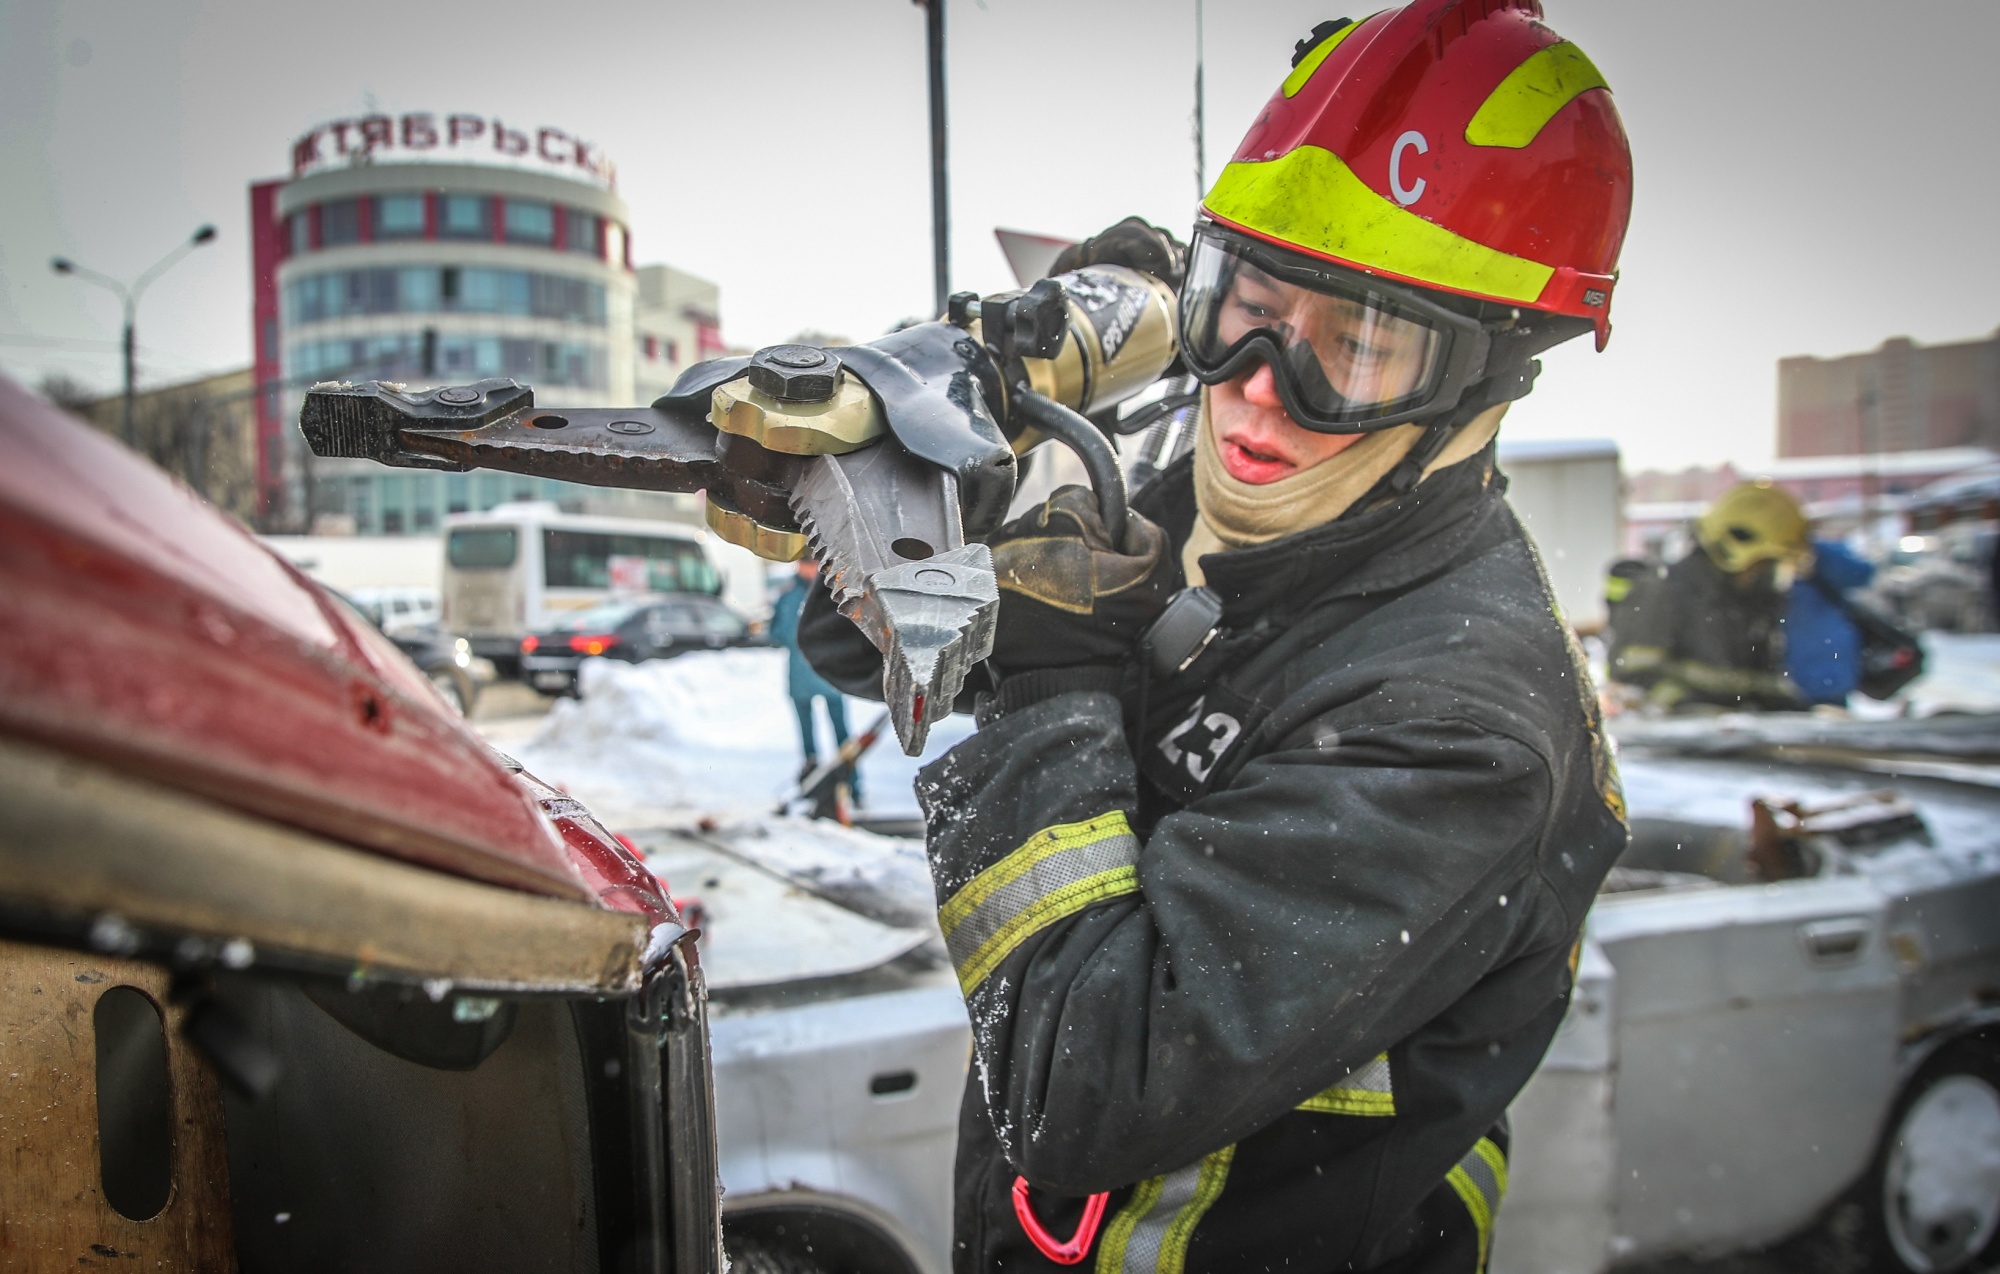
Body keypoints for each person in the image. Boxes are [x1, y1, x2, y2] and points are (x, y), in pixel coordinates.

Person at [805, 2, 1631, 1268]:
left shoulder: (1458, 722)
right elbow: (854, 641)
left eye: (1351, 351)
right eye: (1240, 305)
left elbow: (1079, 1089)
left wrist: (1047, 661)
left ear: (1477, 385)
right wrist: (967, 428)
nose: (1255, 387)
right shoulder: (1221, 497)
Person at [1608, 482, 1810, 712]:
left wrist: (1791, 708)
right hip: (1677, 742)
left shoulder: (1753, 602)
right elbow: (1634, 678)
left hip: (1736, 737)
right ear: (1732, 551)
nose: (1764, 572)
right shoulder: (1660, 590)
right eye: (1762, 562)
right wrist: (1689, 709)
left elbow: (1755, 681)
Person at [768, 559, 854, 791]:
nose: (807, 568)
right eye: (804, 563)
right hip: (815, 675)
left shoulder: (814, 593)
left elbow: (778, 633)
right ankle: (814, 785)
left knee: (842, 734)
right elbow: (776, 635)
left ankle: (850, 785)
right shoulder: (821, 593)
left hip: (828, 674)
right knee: (811, 737)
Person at [1786, 537, 1875, 706]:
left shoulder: (1816, 552)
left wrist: (1816, 555)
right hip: (1813, 669)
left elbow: (1862, 574)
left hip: (1821, 671)